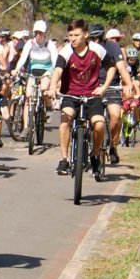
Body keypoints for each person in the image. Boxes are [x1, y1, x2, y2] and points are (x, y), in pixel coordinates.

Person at [50, 19, 117, 178]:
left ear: (85, 35)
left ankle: (94, 155)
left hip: (92, 94)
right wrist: (53, 86)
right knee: (65, 119)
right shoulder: (66, 51)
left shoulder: (96, 49)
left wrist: (104, 87)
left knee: (99, 124)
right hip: (71, 94)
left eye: (76, 35)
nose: (73, 39)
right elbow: (58, 70)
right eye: (70, 35)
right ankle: (64, 160)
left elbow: (112, 67)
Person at [92, 25, 135, 164]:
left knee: (115, 116)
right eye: (92, 38)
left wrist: (128, 84)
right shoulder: (85, 47)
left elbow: (121, 67)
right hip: (92, 87)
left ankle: (113, 146)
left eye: (98, 38)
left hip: (112, 85)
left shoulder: (113, 47)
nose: (95, 41)